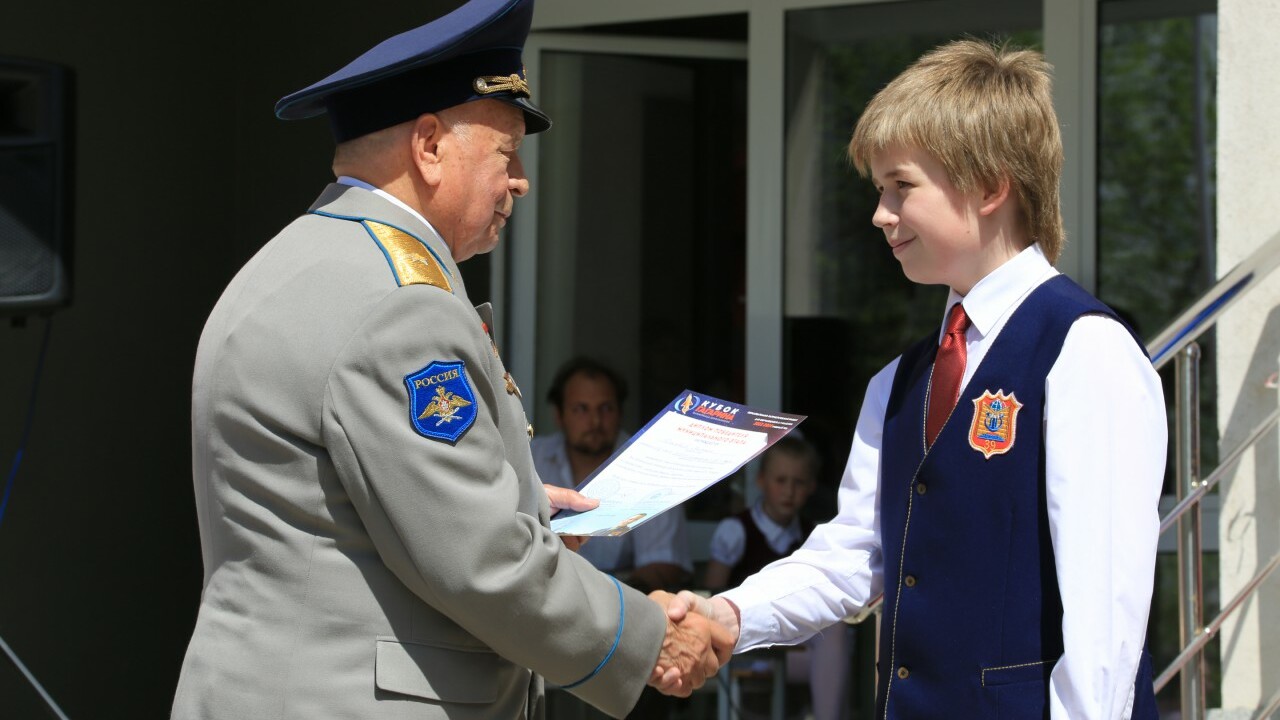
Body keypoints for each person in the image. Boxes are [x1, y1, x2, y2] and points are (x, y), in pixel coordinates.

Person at [169, 2, 730, 718]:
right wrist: (649, 638)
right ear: (429, 146)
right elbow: (479, 557)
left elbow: (354, 499)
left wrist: (519, 500)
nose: (521, 179)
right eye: (505, 152)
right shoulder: (399, 303)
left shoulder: (295, 259)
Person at [666, 39, 1166, 719]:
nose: (880, 213)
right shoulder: (899, 381)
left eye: (902, 186)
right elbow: (856, 553)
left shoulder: (1084, 349)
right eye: (880, 190)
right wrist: (726, 615)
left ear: (990, 186)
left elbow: (1105, 610)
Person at [704, 436, 850, 720]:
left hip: (795, 645)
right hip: (744, 646)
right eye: (781, 481)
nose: (789, 491)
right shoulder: (736, 531)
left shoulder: (813, 536)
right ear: (761, 481)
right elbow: (712, 592)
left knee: (836, 633)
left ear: (811, 487)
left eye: (798, 483)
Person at [532, 357, 692, 593]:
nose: (595, 421)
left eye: (605, 408)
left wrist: (610, 600)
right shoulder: (532, 457)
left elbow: (662, 563)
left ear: (620, 412)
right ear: (559, 414)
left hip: (623, 602)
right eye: (581, 409)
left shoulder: (650, 464)